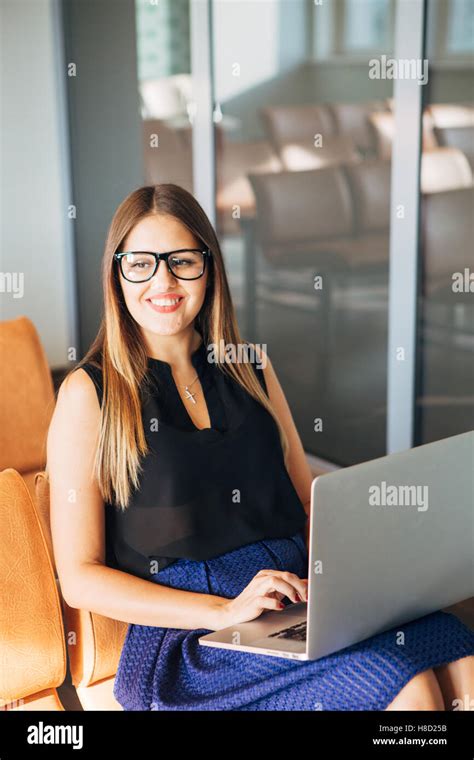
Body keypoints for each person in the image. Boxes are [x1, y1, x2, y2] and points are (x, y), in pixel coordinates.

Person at [47, 184, 474, 711]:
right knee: (408, 687)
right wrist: (224, 612)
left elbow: (312, 502)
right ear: (117, 273)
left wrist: (338, 581)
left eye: (182, 261)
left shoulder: (250, 366)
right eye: (140, 263)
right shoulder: (90, 394)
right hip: (193, 636)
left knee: (460, 655)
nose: (163, 281)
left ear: (210, 267)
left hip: (294, 597)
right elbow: (80, 579)